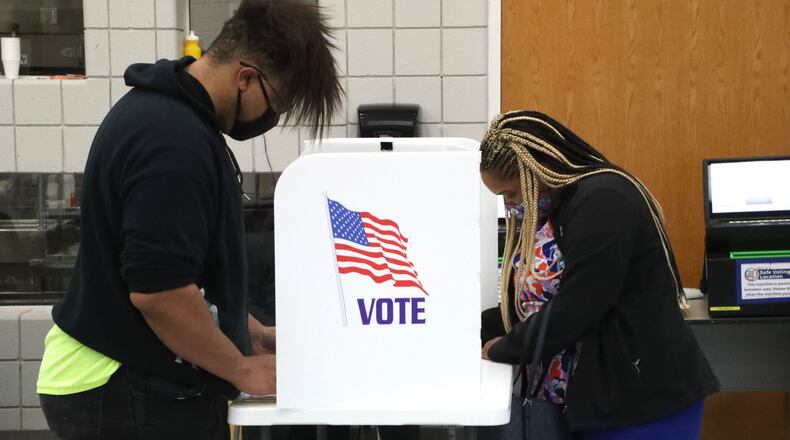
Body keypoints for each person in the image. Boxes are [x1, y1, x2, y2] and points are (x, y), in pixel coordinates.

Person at [36, 0, 342, 438]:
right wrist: (239, 368)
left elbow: (187, 271)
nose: (271, 120)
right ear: (246, 77)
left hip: (133, 375)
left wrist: (245, 329)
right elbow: (159, 292)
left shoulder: (169, 116)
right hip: (121, 381)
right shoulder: (172, 142)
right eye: (277, 104)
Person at [479, 110, 720, 439]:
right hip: (601, 399)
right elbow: (535, 301)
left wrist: (503, 348)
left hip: (642, 402)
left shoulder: (603, 200)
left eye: (510, 194)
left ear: (537, 172)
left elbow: (576, 307)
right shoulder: (560, 208)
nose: (510, 206)